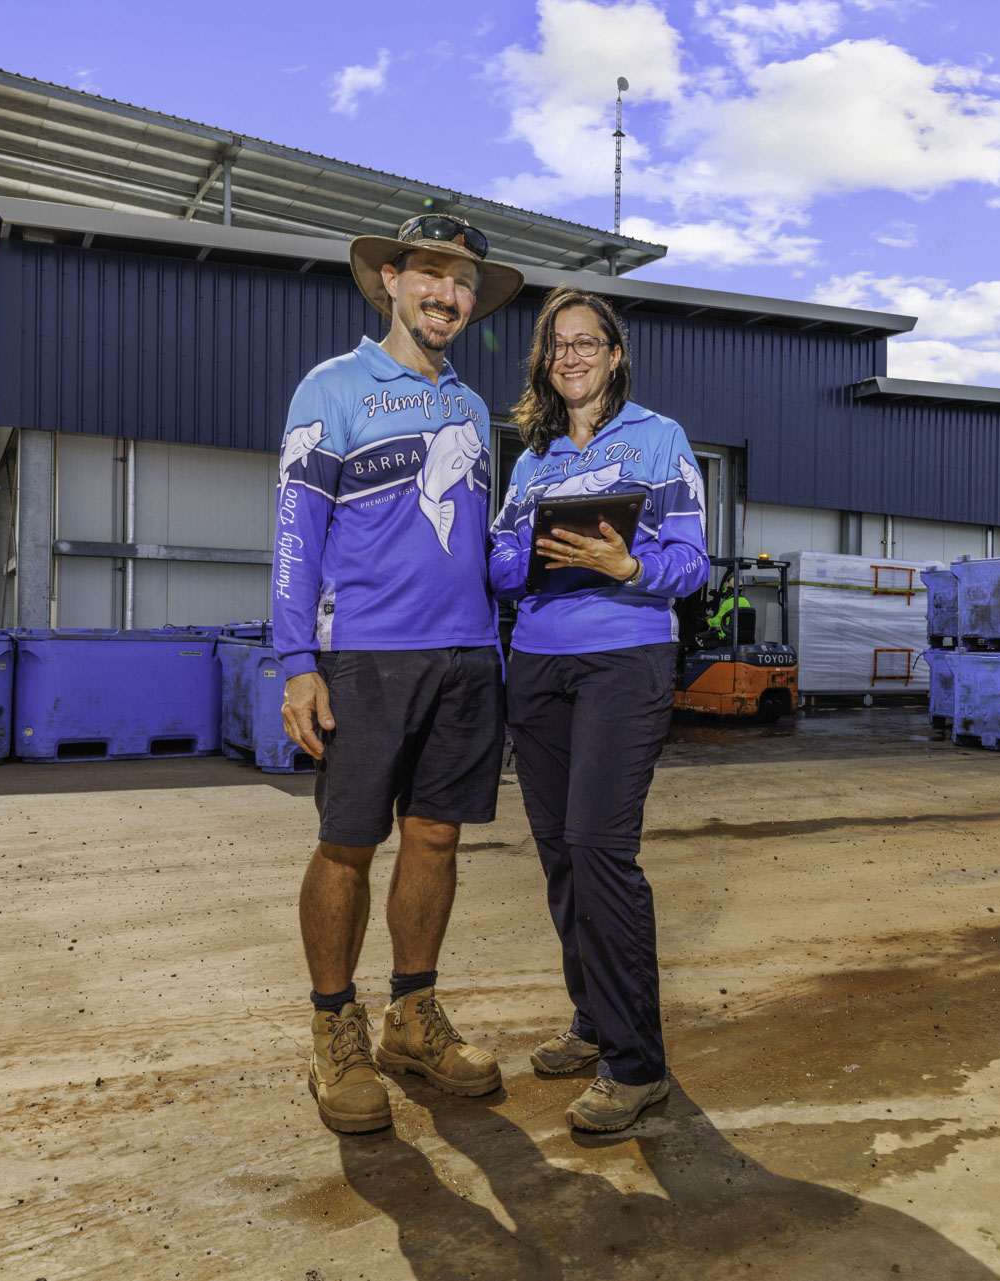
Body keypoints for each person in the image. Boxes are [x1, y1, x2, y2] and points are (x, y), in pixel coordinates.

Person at [272, 213, 524, 1134]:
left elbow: (470, 541)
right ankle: (332, 1027)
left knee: (437, 840)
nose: (447, 295)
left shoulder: (472, 408)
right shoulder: (332, 387)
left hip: (467, 656)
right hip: (366, 656)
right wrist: (297, 661)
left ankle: (411, 1016)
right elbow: (295, 531)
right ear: (390, 280)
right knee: (347, 842)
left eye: (463, 284)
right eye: (430, 274)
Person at [490, 285, 710, 1133]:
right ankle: (594, 1017)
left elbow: (691, 560)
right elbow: (498, 563)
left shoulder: (659, 440)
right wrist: (529, 554)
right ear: (545, 364)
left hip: (625, 658)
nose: (571, 356)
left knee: (598, 848)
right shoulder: (534, 459)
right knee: (560, 854)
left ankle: (636, 1063)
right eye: (557, 345)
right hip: (537, 663)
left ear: (615, 355)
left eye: (587, 342)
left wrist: (627, 567)